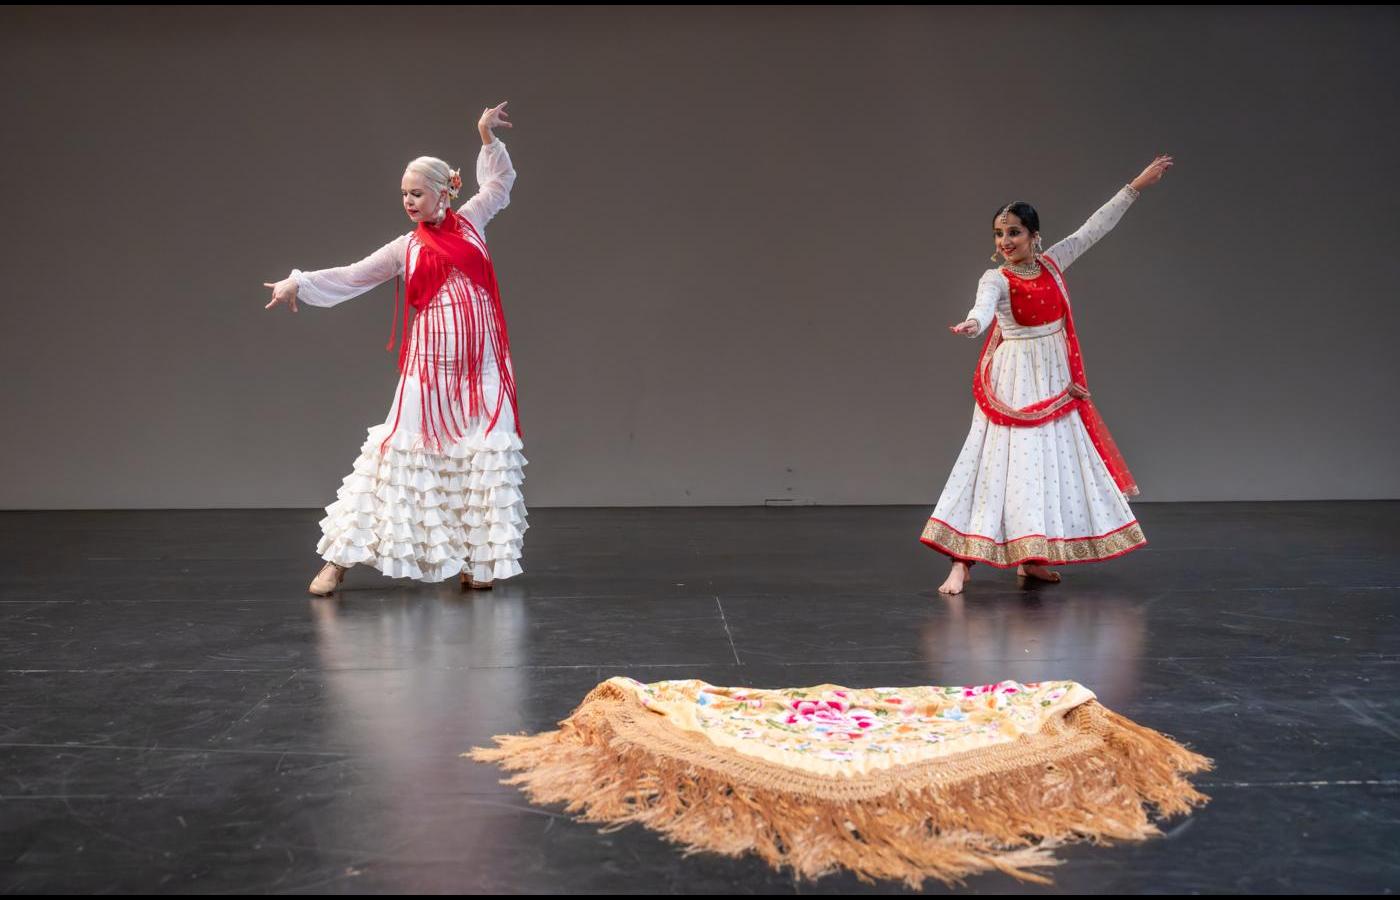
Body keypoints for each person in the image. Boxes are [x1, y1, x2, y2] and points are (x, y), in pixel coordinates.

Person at [264, 102, 527, 596]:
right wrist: (298, 282)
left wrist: (486, 136)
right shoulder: (404, 248)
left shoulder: (472, 221)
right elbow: (352, 276)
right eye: (404, 194)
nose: (408, 201)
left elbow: (499, 184)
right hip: (428, 369)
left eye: (417, 193)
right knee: (395, 459)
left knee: (483, 456)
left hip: (482, 365)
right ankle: (338, 560)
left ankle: (478, 559)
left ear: (444, 192)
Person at [921, 155, 1174, 595]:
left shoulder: (1054, 263)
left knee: (1042, 469)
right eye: (999, 233)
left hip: (1055, 380)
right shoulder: (995, 278)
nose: (1005, 241)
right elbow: (983, 309)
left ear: (1035, 236)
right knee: (996, 465)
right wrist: (973, 325)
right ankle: (961, 563)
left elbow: (1093, 229)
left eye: (1014, 232)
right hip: (1015, 383)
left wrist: (1135, 186)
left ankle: (1031, 559)